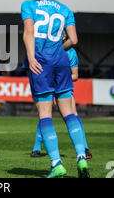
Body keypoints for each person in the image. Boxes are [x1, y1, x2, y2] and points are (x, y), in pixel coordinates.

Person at [22, 0, 89, 178]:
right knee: (69, 112)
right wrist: (60, 47)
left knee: (45, 114)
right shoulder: (65, 9)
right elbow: (74, 41)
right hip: (61, 62)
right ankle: (81, 157)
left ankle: (57, 163)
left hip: (40, 63)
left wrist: (32, 57)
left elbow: (29, 33)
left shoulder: (28, 5)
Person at [31, 31, 92, 160]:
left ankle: (85, 149)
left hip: (63, 84)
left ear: (64, 37)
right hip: (49, 85)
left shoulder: (70, 52)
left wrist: (60, 79)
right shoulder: (46, 50)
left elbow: (75, 75)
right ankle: (36, 149)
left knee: (73, 113)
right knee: (45, 115)